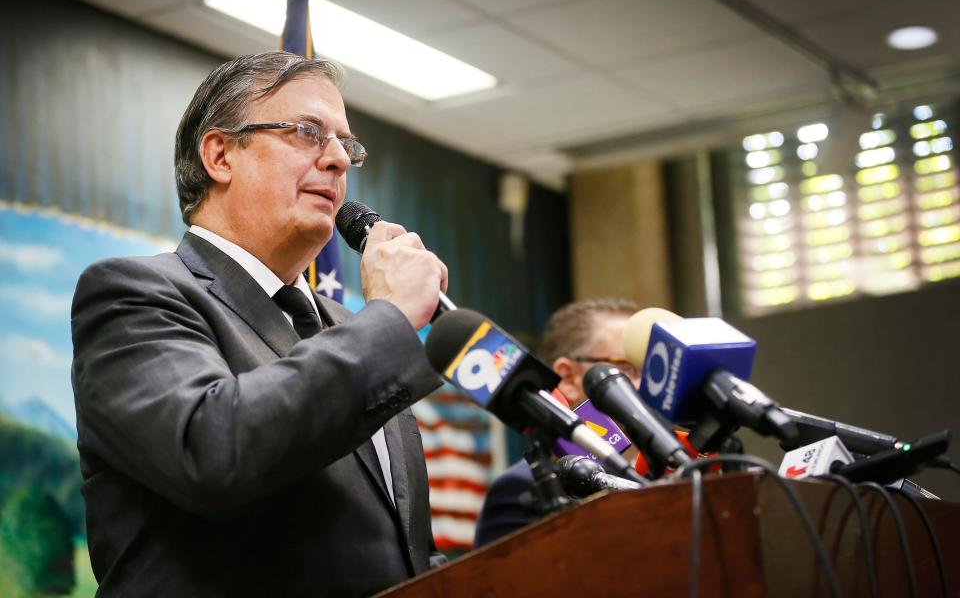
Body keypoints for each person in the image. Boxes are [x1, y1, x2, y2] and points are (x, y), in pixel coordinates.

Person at [71, 52, 449, 597]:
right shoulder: (132, 295)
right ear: (220, 155)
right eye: (307, 133)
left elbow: (393, 553)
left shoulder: (349, 327)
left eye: (347, 144)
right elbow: (213, 453)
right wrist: (389, 319)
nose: (339, 160)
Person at [473, 298, 640, 547]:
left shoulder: (683, 467)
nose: (647, 382)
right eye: (627, 368)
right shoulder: (523, 489)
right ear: (568, 378)